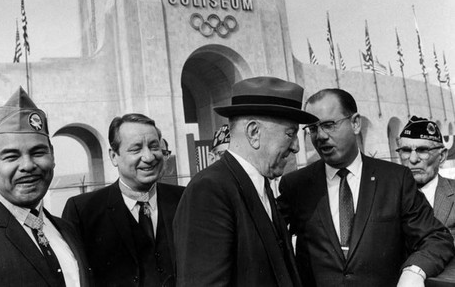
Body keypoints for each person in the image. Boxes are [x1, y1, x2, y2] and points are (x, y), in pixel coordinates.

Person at [277, 88, 455, 287]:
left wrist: (414, 271)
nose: (321, 136)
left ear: (355, 123)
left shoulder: (395, 179)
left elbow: (436, 237)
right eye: (313, 128)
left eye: (329, 125)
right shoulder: (296, 186)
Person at [173, 76, 318, 287]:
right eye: (290, 134)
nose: (296, 146)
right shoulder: (210, 191)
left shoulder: (261, 186)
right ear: (253, 132)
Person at [0, 86, 92, 286]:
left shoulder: (67, 230)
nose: (27, 166)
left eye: (38, 153)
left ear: (52, 157)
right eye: (11, 156)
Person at [62, 113, 185, 287]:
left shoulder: (185, 199)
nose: (149, 157)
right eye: (136, 149)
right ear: (113, 156)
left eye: (154, 146)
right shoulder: (83, 210)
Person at [397, 116, 455, 238]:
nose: (413, 159)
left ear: (442, 156)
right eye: (406, 150)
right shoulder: (387, 197)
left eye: (422, 150)